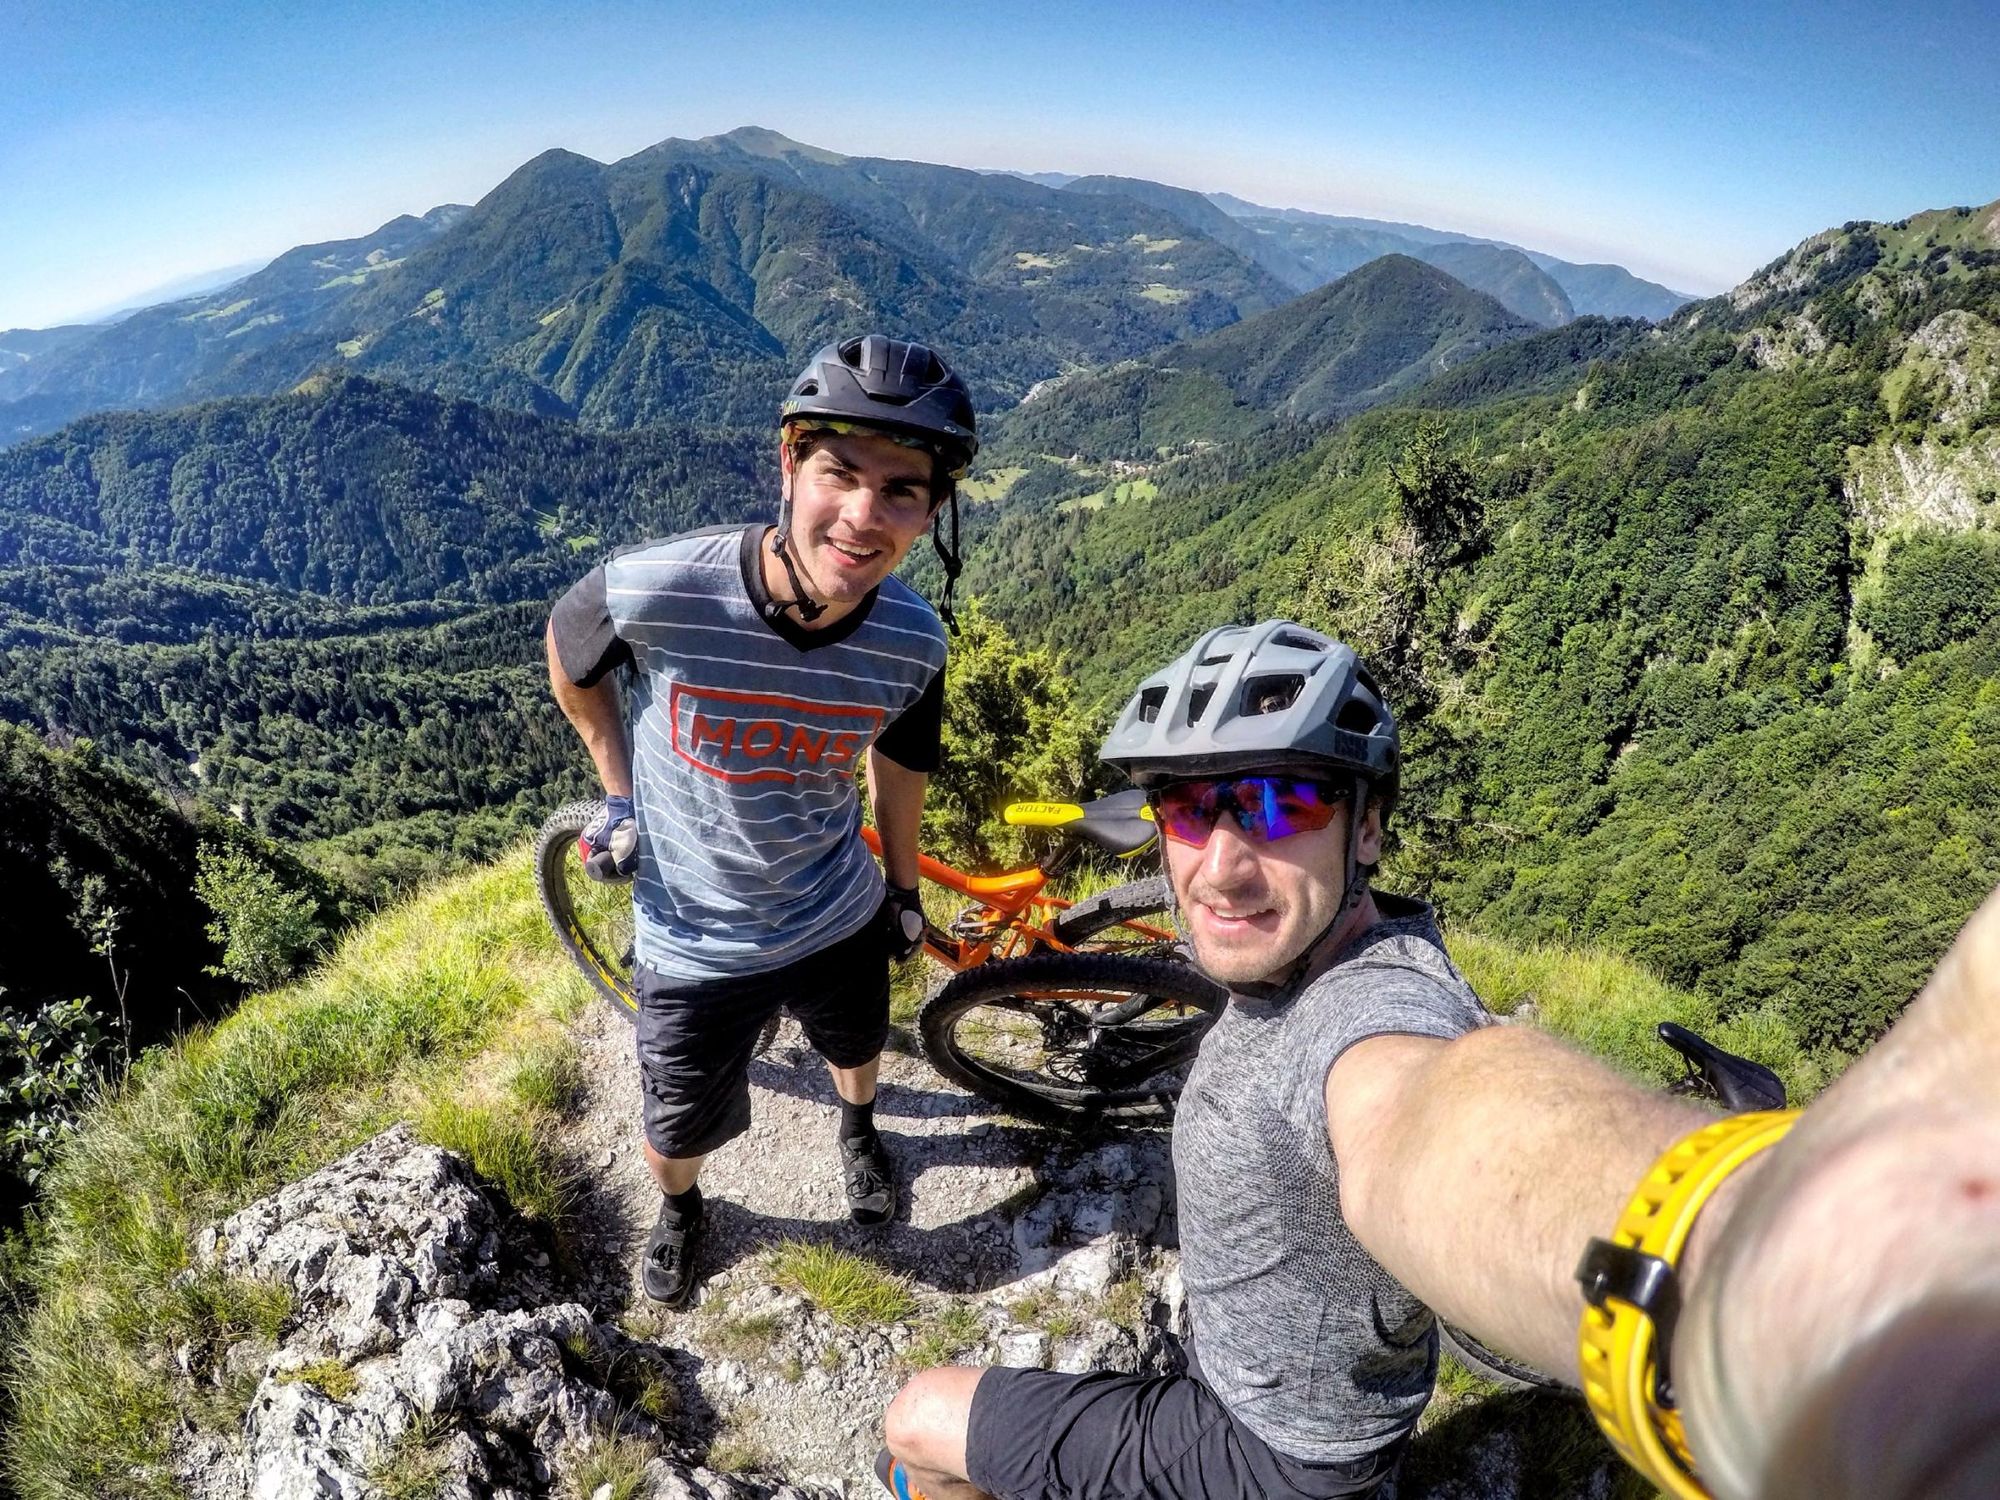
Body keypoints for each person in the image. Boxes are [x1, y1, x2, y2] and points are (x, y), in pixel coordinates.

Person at [880, 620, 2000, 1500]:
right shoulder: (1355, 931)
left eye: (1278, 800)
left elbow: (1431, 1119)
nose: (1218, 866)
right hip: (1293, 1391)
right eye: (1185, 807)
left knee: (917, 1424)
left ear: (1364, 826)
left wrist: (1764, 1268)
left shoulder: (1373, 1017)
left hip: (1269, 1459)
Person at [546, 334, 977, 1308]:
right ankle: (684, 1209)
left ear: (930, 512)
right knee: (674, 1129)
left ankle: (859, 1128)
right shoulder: (667, 588)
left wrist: (903, 891)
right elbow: (570, 649)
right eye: (840, 474)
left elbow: (901, 762)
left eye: (901, 492)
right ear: (789, 464)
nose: (863, 517)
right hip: (692, 939)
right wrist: (618, 795)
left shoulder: (911, 639)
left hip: (832, 907)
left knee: (857, 1042)